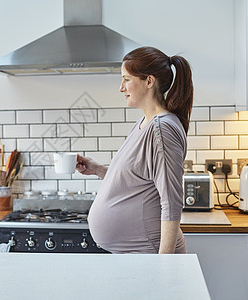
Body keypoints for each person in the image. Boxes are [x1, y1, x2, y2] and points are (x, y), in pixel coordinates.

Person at [77, 46, 193, 254]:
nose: (121, 88)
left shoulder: (161, 129)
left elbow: (171, 202)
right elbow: (137, 179)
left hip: (150, 253)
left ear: (149, 81)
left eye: (126, 79)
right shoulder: (145, 123)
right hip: (137, 254)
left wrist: (164, 264)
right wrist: (98, 169)